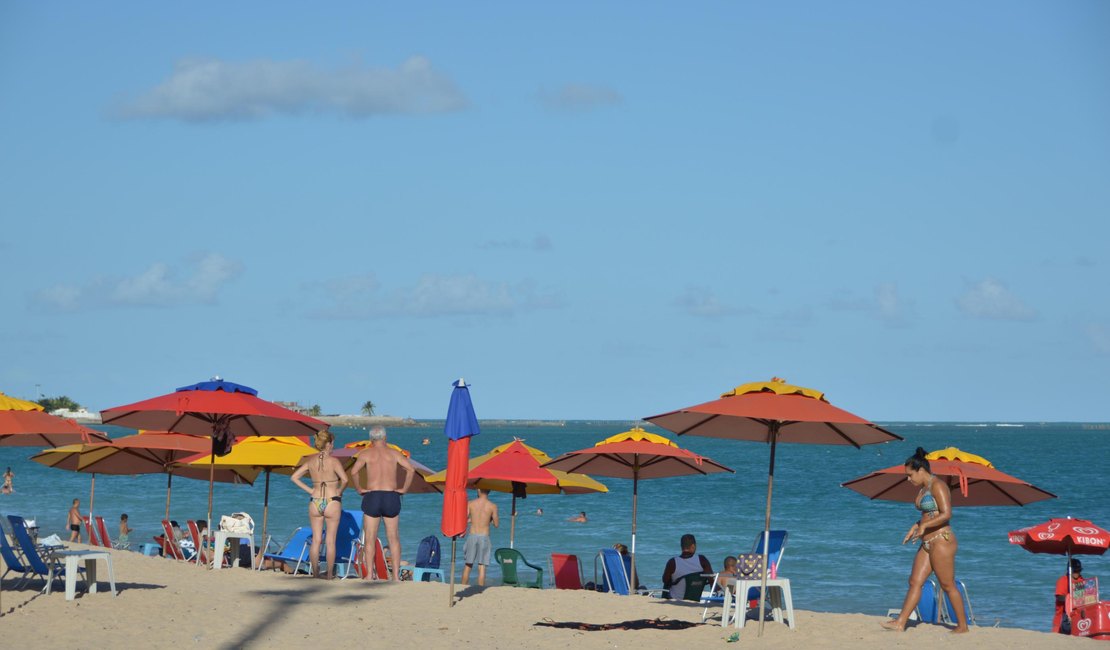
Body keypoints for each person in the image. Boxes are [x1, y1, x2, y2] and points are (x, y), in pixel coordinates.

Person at [882, 448, 969, 633]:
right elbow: (928, 514)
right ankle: (900, 623)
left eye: (910, 475)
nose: (908, 479)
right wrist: (917, 525)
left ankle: (962, 626)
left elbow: (946, 514)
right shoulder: (924, 488)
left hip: (942, 540)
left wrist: (923, 527)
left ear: (921, 470)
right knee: (915, 581)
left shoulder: (938, 486)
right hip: (928, 542)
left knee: (947, 585)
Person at [349, 426, 414, 581]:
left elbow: (353, 472)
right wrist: (403, 489)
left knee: (370, 537)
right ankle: (396, 577)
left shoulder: (365, 454)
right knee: (393, 537)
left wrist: (359, 488)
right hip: (391, 495)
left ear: (371, 440)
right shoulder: (394, 453)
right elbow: (410, 470)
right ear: (385, 438)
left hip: (372, 495)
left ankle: (370, 574)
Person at [291, 429, 348, 579]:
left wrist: (310, 490)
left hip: (315, 501)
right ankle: (329, 574)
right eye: (332, 443)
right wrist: (340, 491)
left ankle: (315, 573)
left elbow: (295, 477)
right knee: (330, 541)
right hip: (332, 501)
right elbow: (345, 479)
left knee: (316, 540)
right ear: (328, 444)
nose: (333, 445)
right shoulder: (334, 461)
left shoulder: (310, 461)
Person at [461, 489, 499, 586]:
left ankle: (462, 586)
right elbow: (496, 524)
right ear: (489, 491)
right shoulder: (492, 506)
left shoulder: (470, 503)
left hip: (472, 535)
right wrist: (488, 519)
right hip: (484, 536)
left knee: (468, 564)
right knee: (482, 566)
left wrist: (472, 520)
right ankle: (480, 589)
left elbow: (464, 519)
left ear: (478, 490)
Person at [661, 533, 713, 600]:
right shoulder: (702, 560)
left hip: (676, 600)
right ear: (693, 546)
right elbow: (711, 580)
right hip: (695, 599)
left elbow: (665, 580)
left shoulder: (673, 562)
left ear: (681, 546)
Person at [1055, 558, 1084, 633]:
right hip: (1063, 614)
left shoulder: (1081, 580)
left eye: (1079, 570)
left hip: (1078, 613)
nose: (1077, 573)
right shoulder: (1063, 580)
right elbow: (1059, 597)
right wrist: (1071, 597)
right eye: (1075, 571)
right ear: (1070, 570)